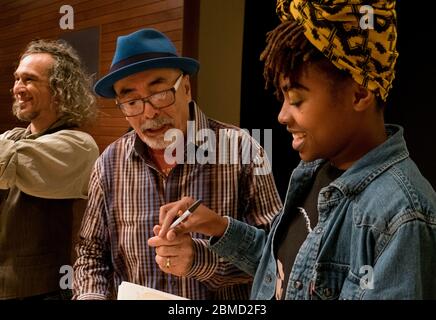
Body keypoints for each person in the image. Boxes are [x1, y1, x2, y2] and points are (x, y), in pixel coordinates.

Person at [157, 0, 436, 299]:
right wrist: (218, 226)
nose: (282, 116)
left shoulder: (401, 217)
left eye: (296, 99)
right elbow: (283, 266)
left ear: (360, 93)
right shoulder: (315, 170)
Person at [72, 28, 282, 300]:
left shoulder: (242, 150)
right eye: (132, 101)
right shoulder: (108, 165)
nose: (149, 112)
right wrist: (91, 296)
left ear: (185, 88)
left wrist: (200, 259)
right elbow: (91, 253)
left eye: (159, 93)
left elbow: (276, 258)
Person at [0, 39, 99, 299]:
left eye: (29, 79)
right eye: (17, 79)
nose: (18, 88)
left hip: (45, 289)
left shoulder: (78, 145)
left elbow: (10, 161)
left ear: (59, 89)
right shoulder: (14, 137)